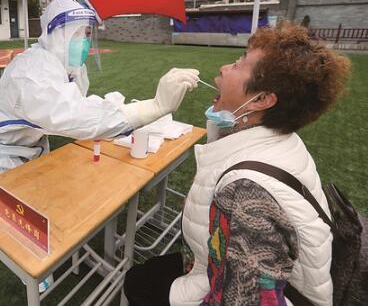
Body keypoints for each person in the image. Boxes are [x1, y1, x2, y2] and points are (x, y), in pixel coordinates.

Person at [123, 24, 351, 306]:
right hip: (209, 267)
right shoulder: (279, 139)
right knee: (146, 274)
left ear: (262, 99)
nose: (223, 68)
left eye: (238, 63)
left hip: (218, 286)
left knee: (138, 282)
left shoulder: (248, 192)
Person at [0, 0, 200, 177]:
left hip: (30, 140)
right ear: (57, 34)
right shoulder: (31, 73)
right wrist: (154, 106)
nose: (86, 41)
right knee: (19, 206)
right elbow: (72, 116)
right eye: (78, 33)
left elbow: (78, 105)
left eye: (88, 34)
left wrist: (113, 108)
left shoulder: (71, 67)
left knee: (41, 190)